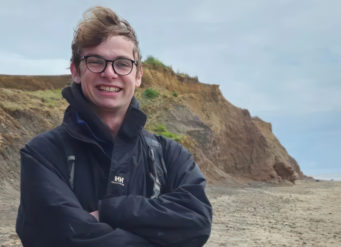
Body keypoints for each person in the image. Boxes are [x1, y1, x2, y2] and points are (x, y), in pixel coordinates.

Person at [16, 6, 212, 247]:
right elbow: (61, 236)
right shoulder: (41, 155)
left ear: (138, 75)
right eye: (96, 61)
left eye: (122, 63)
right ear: (76, 71)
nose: (109, 73)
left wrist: (108, 212)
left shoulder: (171, 156)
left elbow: (197, 220)